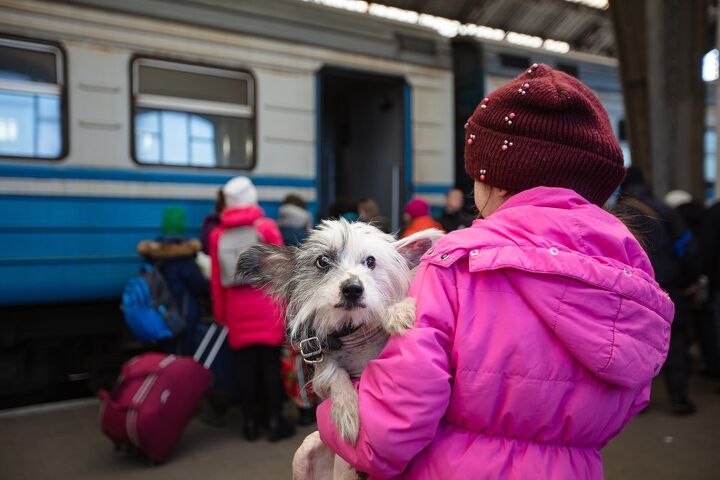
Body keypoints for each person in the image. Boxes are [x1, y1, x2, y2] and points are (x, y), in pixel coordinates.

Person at [311, 65, 674, 479]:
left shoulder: (454, 265)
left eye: (476, 176)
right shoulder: (633, 280)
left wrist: (328, 416)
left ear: (496, 182)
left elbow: (387, 436)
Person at [209, 176, 295, 442]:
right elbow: (282, 271)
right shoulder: (266, 228)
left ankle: (249, 423)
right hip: (266, 306)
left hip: (237, 310)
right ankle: (273, 420)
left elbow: (216, 280)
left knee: (244, 367)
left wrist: (222, 314)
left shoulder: (217, 235)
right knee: (269, 365)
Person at [616, 168, 696, 415]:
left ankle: (637, 402)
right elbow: (686, 246)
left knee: (634, 342)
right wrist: (690, 279)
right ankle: (679, 397)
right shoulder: (664, 209)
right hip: (669, 285)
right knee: (675, 338)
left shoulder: (617, 214)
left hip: (633, 288)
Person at [137, 207, 209, 356]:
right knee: (182, 357)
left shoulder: (153, 258)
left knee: (164, 356)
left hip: (159, 316)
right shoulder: (185, 259)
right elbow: (201, 286)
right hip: (182, 319)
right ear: (182, 226)